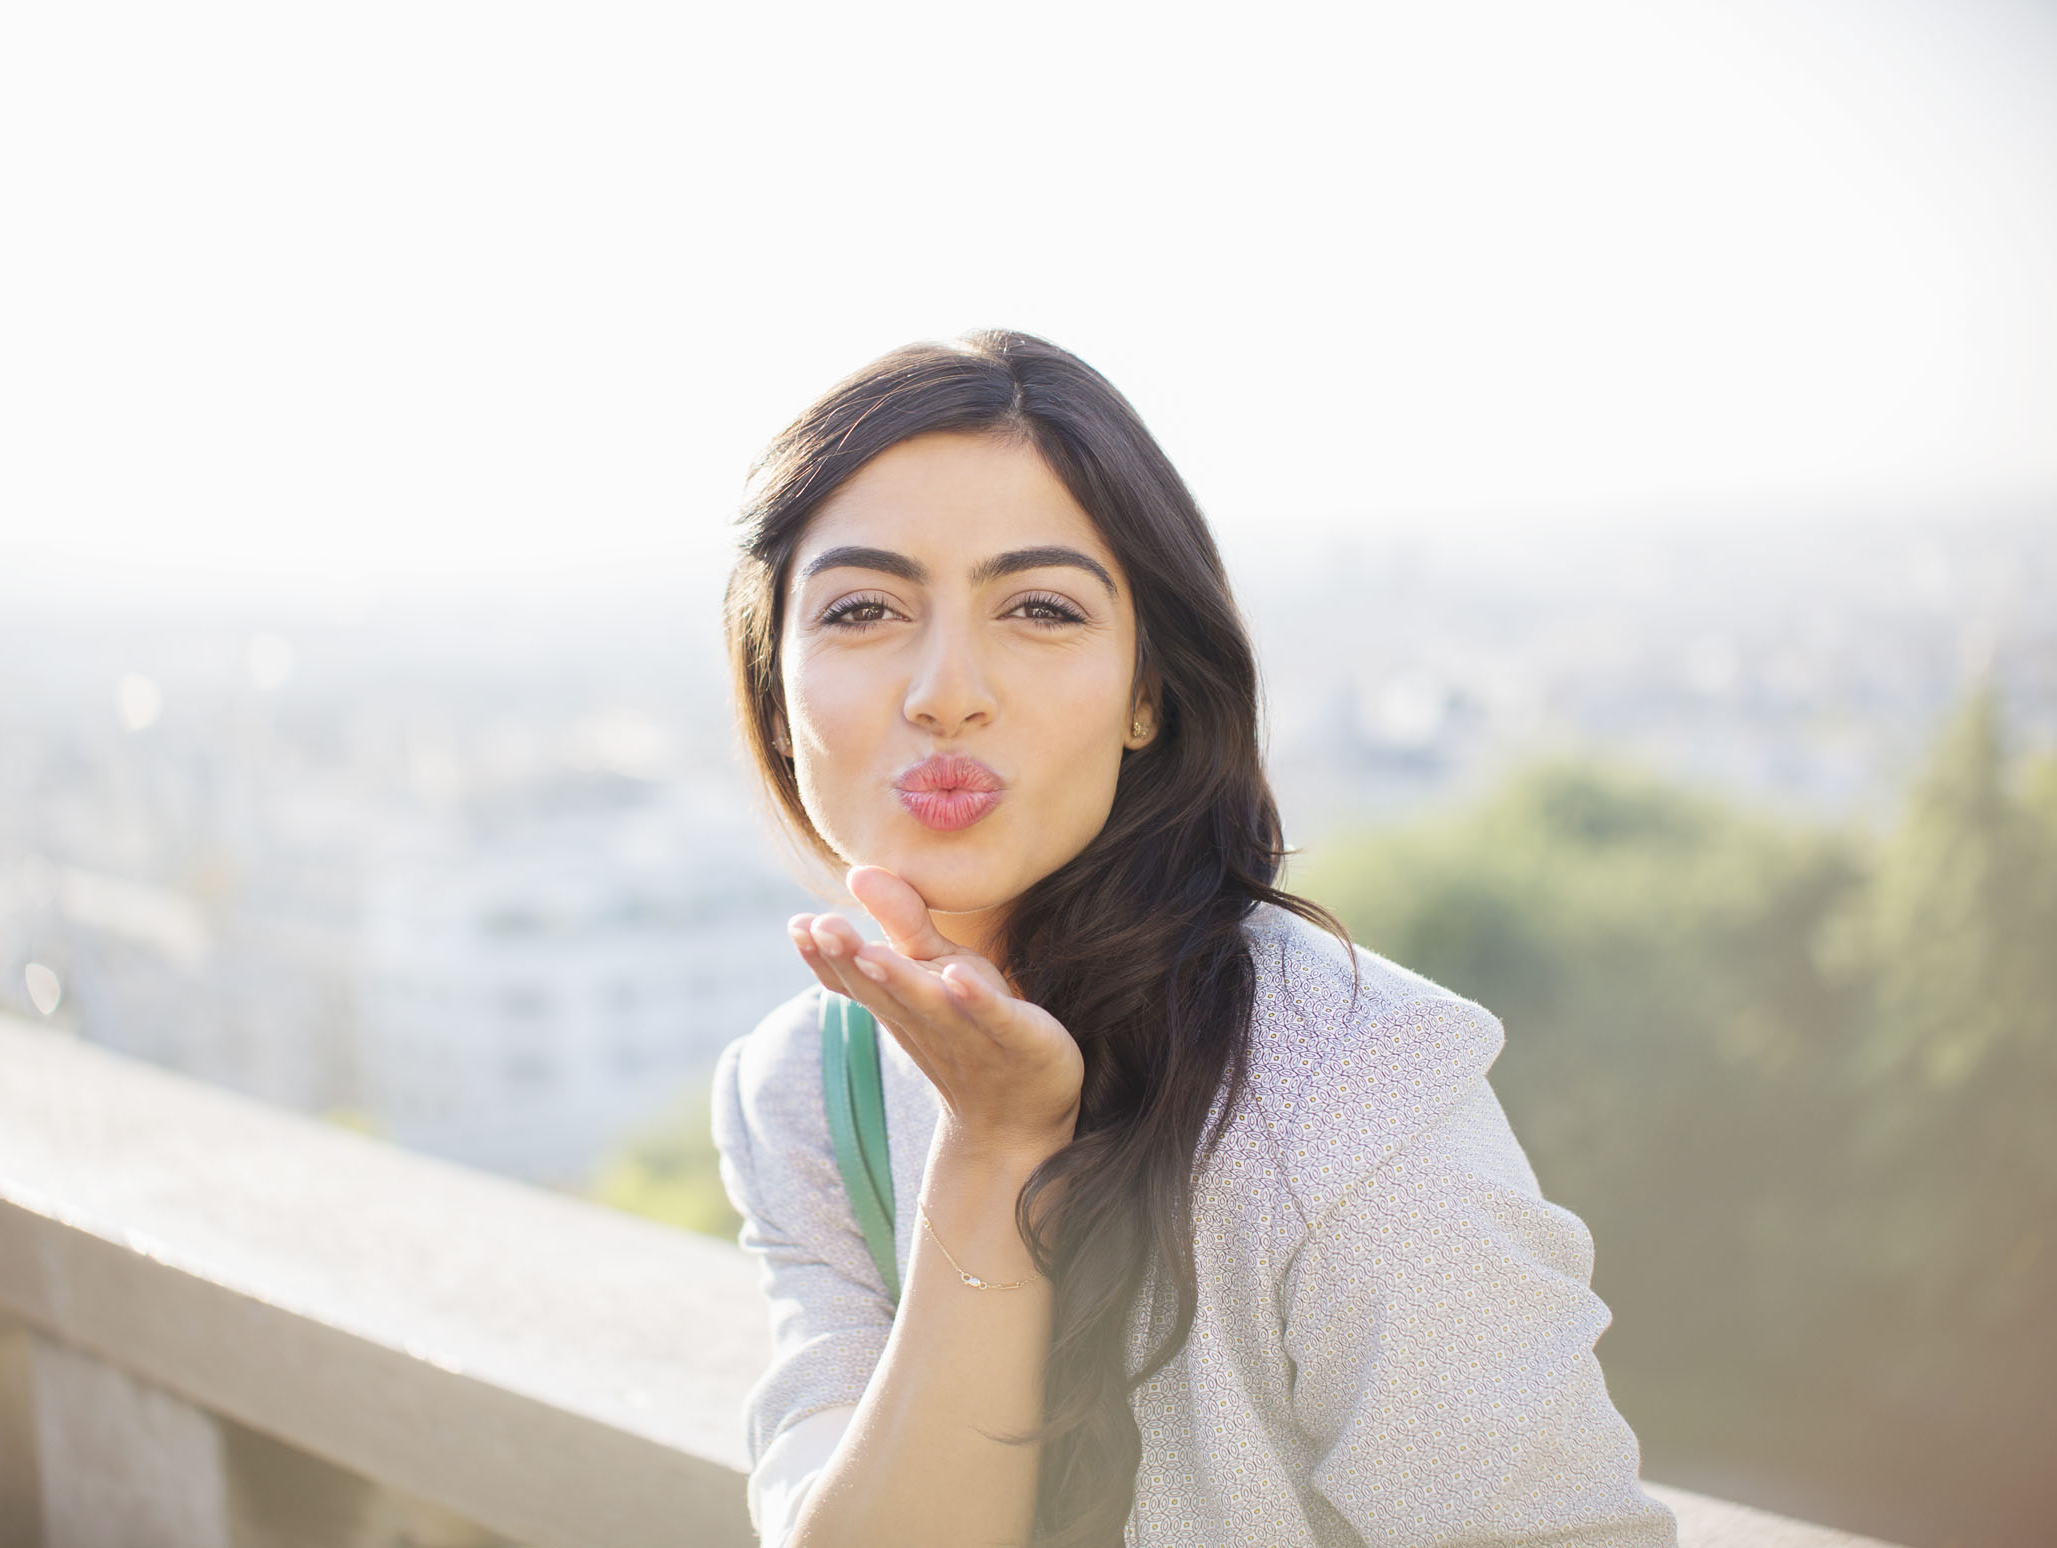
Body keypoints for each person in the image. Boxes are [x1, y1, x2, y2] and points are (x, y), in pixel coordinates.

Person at [710, 330, 1677, 1548]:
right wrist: (995, 1144)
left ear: (1146, 695)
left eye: (1040, 609)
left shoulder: (1345, 1094)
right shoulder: (803, 1090)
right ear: (774, 693)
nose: (946, 688)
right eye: (861, 609)